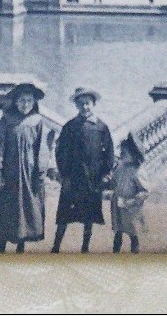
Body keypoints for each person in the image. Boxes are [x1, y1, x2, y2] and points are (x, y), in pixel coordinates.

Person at [0, 82, 53, 253]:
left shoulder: (38, 121)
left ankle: (21, 245)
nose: (25, 105)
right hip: (10, 173)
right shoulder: (6, 121)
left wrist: (40, 172)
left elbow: (43, 148)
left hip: (29, 173)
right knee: (7, 207)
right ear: (15, 102)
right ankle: (1, 246)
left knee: (27, 208)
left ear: (34, 103)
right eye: (22, 101)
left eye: (29, 101)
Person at [51, 87, 115, 253]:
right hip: (73, 177)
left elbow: (109, 152)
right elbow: (60, 151)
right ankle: (56, 246)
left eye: (88, 103)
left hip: (92, 178)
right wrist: (63, 173)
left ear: (93, 104)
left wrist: (106, 173)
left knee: (89, 214)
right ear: (76, 106)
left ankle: (85, 246)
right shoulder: (70, 126)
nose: (85, 107)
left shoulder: (101, 127)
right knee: (64, 213)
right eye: (81, 104)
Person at [111, 133, 149, 254]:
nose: (121, 154)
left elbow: (144, 192)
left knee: (132, 230)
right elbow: (114, 181)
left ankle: (135, 248)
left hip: (130, 207)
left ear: (133, 155)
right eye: (121, 152)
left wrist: (131, 201)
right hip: (117, 204)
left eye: (124, 153)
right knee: (118, 229)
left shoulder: (138, 172)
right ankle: (116, 250)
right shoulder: (120, 168)